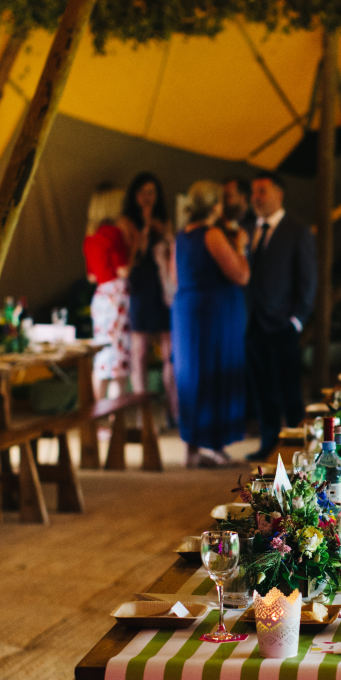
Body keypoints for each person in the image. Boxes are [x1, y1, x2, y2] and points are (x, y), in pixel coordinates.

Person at [172, 181, 250, 467]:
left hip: (187, 311)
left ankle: (192, 446)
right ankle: (215, 444)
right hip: (213, 314)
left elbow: (175, 277)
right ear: (215, 206)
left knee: (192, 375)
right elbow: (240, 275)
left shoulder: (182, 235)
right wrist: (241, 247)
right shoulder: (212, 234)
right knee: (215, 372)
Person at [244, 174, 318, 462]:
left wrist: (297, 320)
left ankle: (298, 447)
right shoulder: (247, 230)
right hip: (252, 322)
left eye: (262, 191)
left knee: (289, 389)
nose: (256, 197)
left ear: (279, 194)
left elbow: (308, 280)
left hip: (283, 323)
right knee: (261, 388)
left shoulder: (298, 231)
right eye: (254, 191)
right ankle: (268, 441)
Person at [122, 172, 177, 423]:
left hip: (163, 287)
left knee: (170, 353)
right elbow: (131, 259)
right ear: (135, 195)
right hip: (140, 287)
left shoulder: (164, 221)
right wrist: (143, 228)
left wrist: (163, 233)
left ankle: (174, 409)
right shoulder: (127, 222)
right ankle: (142, 414)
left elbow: (173, 251)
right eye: (143, 192)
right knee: (140, 353)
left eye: (152, 192)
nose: (148, 197)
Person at [82, 183, 131, 401]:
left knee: (102, 357)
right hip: (116, 298)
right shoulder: (113, 233)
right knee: (118, 362)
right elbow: (123, 270)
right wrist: (135, 247)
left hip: (101, 297)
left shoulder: (90, 237)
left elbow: (91, 276)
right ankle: (115, 414)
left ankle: (96, 409)